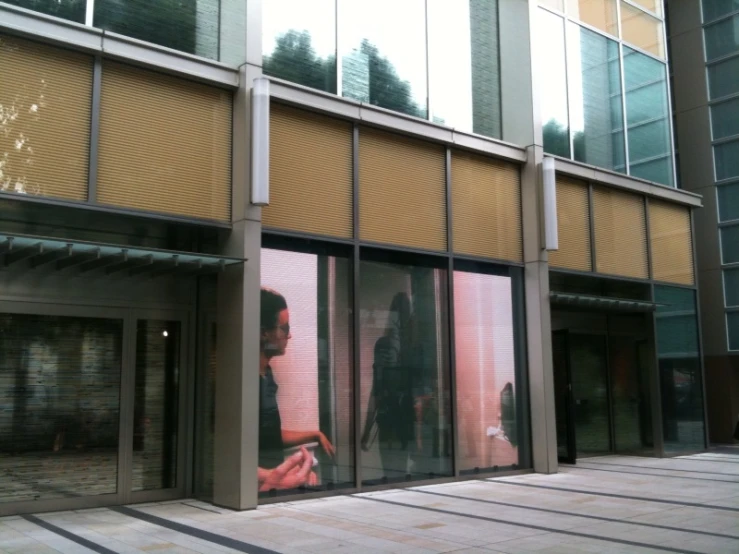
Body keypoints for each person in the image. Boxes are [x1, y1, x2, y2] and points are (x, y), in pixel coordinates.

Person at [258, 287, 335, 492]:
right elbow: (229, 446)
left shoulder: (266, 373)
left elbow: (268, 435)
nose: (289, 335)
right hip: (254, 486)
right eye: (284, 328)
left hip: (273, 481)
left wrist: (314, 434)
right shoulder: (244, 380)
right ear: (264, 332)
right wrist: (279, 476)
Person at [361, 292, 426, 479]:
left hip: (391, 418)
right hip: (403, 418)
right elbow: (417, 394)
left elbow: (377, 391)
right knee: (401, 473)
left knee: (390, 473)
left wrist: (366, 431)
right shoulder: (413, 348)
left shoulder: (388, 345)